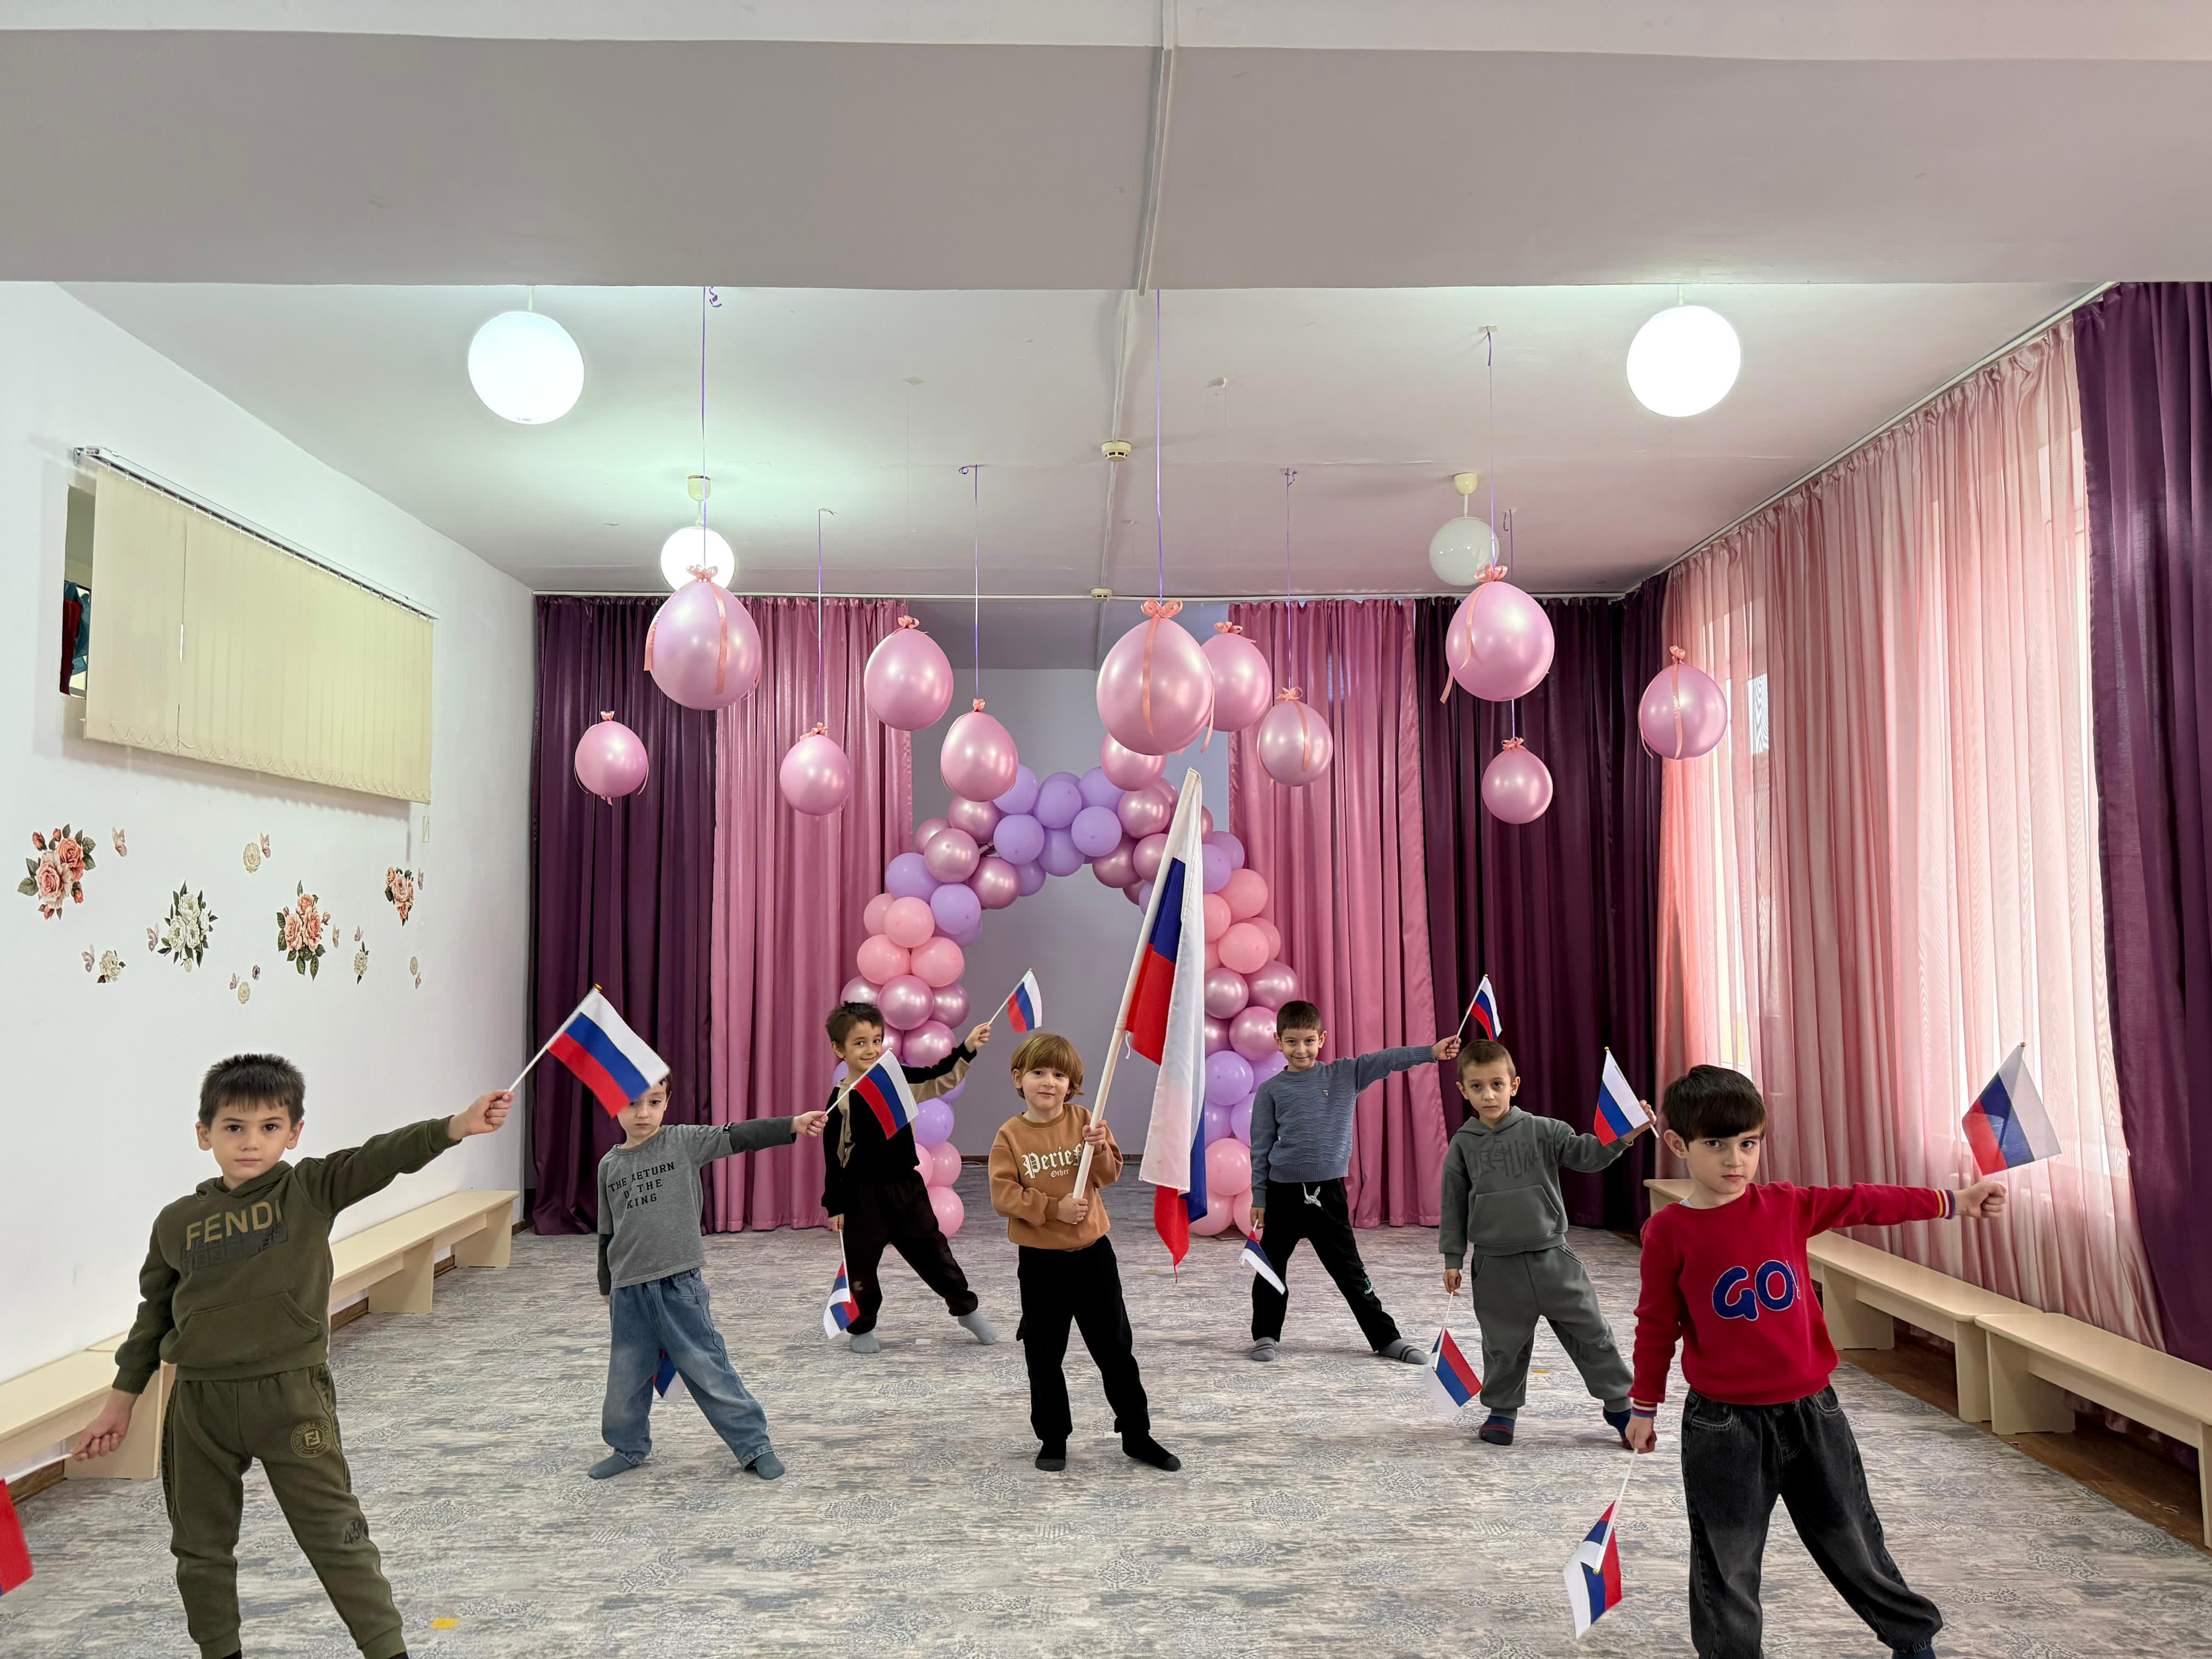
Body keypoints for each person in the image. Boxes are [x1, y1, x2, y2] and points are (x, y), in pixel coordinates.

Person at [72, 1053, 512, 1659]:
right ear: (204, 1134)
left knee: (336, 1534)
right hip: (198, 1406)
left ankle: (387, 1650)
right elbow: (153, 1319)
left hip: (290, 1397)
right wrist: (117, 1407)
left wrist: (454, 1127)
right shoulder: (176, 1222)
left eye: (269, 1127)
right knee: (199, 1547)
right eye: (234, 1127)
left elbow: (378, 1157)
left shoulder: (308, 1189)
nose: (251, 1142)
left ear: (294, 1133)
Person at [1627, 1064, 2009, 1659]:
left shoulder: (1787, 1206)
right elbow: (1656, 1325)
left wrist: (1954, 1201)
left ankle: (1912, 1641)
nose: (1735, 1160)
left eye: (1748, 1143)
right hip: (1723, 1426)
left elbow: (1867, 1202)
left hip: (1813, 1413)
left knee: (1853, 1539)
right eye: (1716, 1145)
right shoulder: (1667, 1232)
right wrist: (1643, 1406)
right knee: (1726, 1558)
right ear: (1677, 1145)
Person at [590, 1076, 827, 1481]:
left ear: (667, 1103)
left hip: (679, 1286)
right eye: (632, 1103)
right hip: (629, 1291)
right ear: (615, 1105)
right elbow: (607, 1232)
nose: (643, 1112)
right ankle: (627, 1447)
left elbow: (738, 1136)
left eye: (654, 1102)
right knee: (625, 1376)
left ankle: (754, 1445)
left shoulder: (683, 1141)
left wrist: (791, 1124)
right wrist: (607, 1286)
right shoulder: (609, 1166)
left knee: (708, 1368)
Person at [985, 1031, 1179, 1474]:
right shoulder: (1010, 1135)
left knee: (1115, 1349)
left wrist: (1100, 1148)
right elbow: (1003, 1196)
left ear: (1071, 1085)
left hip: (1094, 1258)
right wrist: (1052, 1208)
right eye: (1038, 1072)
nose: (1048, 1082)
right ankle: (1053, 1437)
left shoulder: (1085, 1121)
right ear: (1018, 1078)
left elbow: (1109, 1175)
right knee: (1044, 1353)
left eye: (1060, 1075)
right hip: (1041, 1264)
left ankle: (1137, 1434)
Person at [1439, 1039, 1646, 1446]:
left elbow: (1588, 1155)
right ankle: (1502, 1411)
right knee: (1502, 1344)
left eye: (1497, 1084)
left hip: (1553, 1258)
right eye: (1477, 1087)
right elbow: (1453, 1203)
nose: (1489, 1095)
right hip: (1496, 1267)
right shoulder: (1463, 1144)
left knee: (1592, 1331)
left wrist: (1624, 1135)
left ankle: (1619, 1405)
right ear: (1463, 1090)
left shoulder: (1544, 1130)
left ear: (1514, 1085)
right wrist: (1453, 1258)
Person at [1245, 1000, 1460, 1363]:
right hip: (1283, 1195)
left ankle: (1386, 1339)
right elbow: (1261, 1147)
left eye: (1309, 1041)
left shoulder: (1345, 1075)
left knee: (1350, 1271)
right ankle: (1266, 1334)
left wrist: (1431, 1053)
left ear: (1322, 1039)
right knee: (1270, 1268)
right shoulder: (1271, 1091)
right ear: (1278, 1042)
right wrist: (1260, 1197)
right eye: (1292, 1042)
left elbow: (1387, 1059)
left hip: (1328, 1195)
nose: (1301, 1050)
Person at [821, 1001, 999, 1353]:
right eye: (860, 1043)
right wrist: (835, 1205)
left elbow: (938, 1078)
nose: (871, 1049)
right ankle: (861, 1328)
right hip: (861, 1197)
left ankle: (966, 1310)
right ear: (839, 1049)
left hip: (906, 1189)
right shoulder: (841, 1101)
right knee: (860, 1266)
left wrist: (967, 1048)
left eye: (876, 1040)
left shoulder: (896, 1080)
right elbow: (834, 1157)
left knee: (936, 1255)